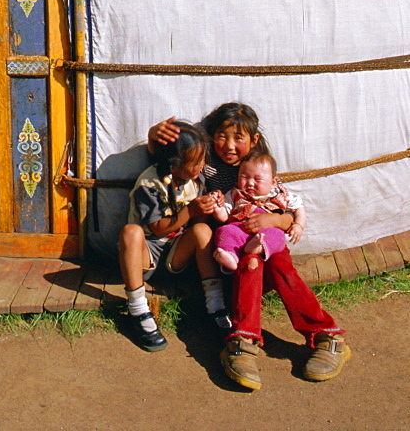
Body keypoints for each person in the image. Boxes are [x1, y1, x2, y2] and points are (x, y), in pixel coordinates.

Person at [149, 103, 351, 387]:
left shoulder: (260, 166)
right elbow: (169, 158)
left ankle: (309, 336)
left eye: (239, 138)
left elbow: (288, 210)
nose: (229, 146)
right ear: (209, 137)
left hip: (262, 245)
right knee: (251, 260)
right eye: (221, 136)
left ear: (254, 141)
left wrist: (276, 222)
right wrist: (152, 135)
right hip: (224, 253)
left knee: (272, 259)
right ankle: (256, 338)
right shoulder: (203, 162)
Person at [118, 121, 230, 352]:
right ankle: (138, 308)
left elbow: (197, 225)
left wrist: (209, 207)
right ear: (174, 165)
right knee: (131, 232)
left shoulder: (194, 182)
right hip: (146, 255)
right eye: (196, 162)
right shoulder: (148, 184)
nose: (203, 165)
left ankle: (216, 304)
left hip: (176, 254)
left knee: (203, 231)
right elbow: (158, 229)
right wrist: (192, 209)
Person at [212, 151, 306, 272]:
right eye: (244, 177)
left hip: (267, 231)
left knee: (277, 235)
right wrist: (216, 206)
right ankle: (230, 256)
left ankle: (259, 247)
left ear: (273, 183)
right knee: (225, 230)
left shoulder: (281, 194)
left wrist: (298, 225)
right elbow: (224, 216)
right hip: (240, 229)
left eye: (258, 179)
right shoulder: (234, 194)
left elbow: (299, 208)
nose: (250, 183)